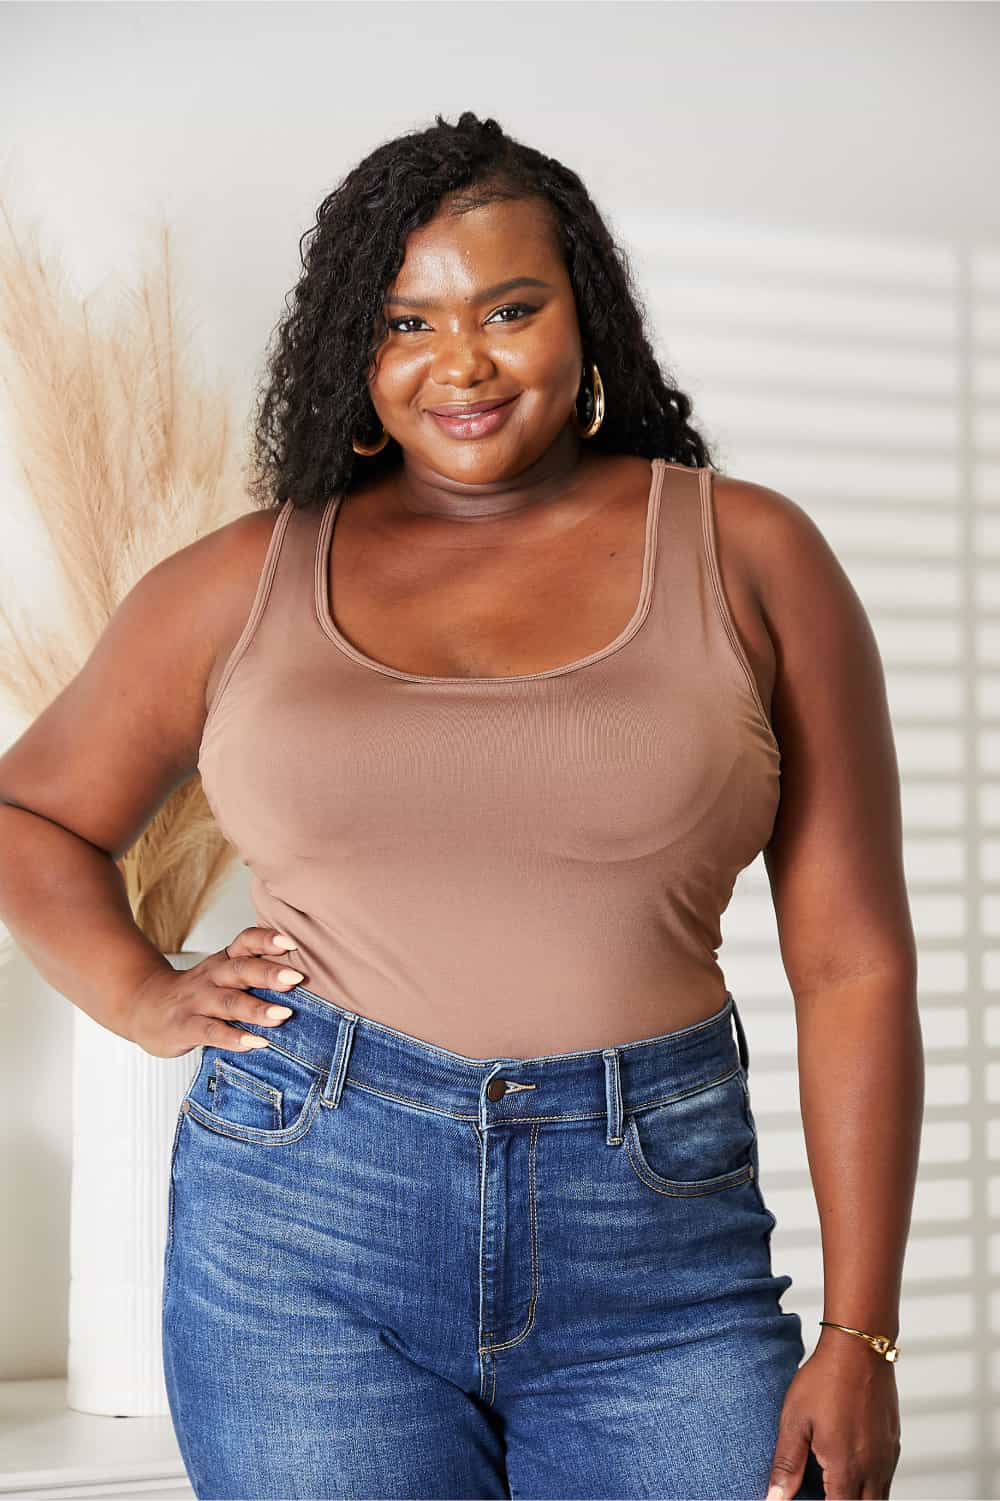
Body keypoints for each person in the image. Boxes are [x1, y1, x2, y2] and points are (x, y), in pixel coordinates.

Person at [0, 111, 919, 1501]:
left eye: (509, 308)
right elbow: (32, 817)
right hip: (306, 1228)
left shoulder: (749, 553)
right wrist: (141, 994)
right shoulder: (239, 580)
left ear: (584, 319)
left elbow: (853, 962)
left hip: (656, 1248)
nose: (463, 363)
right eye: (407, 321)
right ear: (354, 353)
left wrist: (861, 1332)